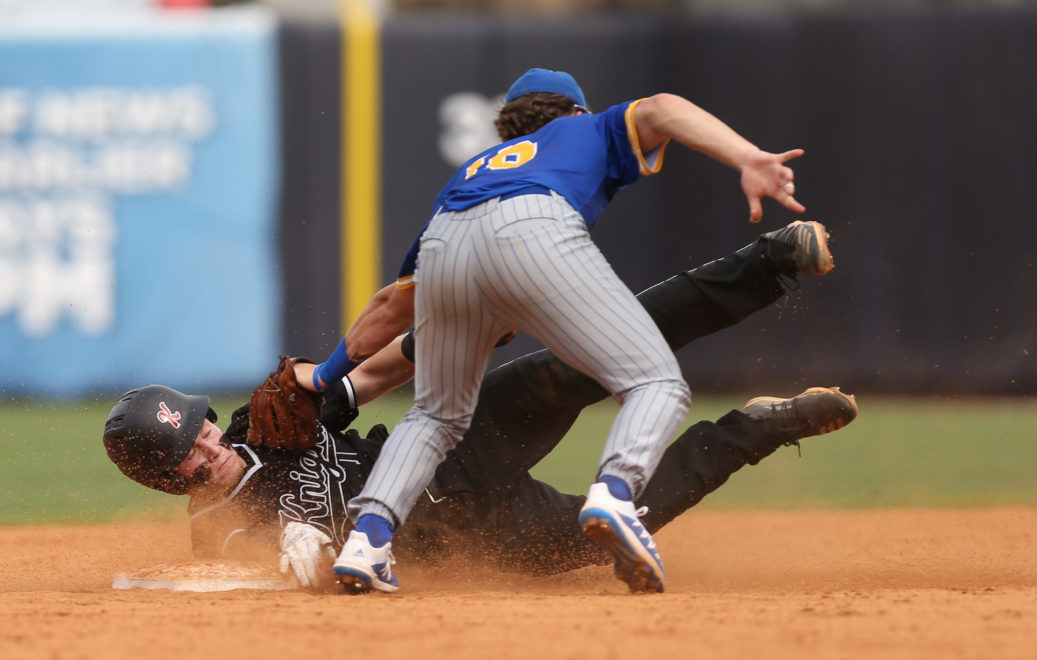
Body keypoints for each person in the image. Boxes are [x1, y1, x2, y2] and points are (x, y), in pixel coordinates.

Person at [101, 223, 857, 591]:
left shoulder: (259, 426)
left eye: (197, 427)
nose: (208, 447)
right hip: (476, 538)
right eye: (188, 458)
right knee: (625, 524)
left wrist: (463, 337)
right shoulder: (217, 532)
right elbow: (260, 566)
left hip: (454, 440)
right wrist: (291, 555)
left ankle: (766, 263)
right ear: (171, 483)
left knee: (600, 349)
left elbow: (368, 379)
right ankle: (759, 426)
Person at [313, 68, 818, 594]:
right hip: (533, 224)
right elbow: (662, 106)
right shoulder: (587, 129)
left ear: (509, 128)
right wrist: (747, 156)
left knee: (435, 416)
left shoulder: (473, 170)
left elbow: (391, 305)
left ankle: (367, 542)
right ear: (574, 110)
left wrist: (324, 380)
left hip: (445, 246)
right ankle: (615, 495)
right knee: (655, 383)